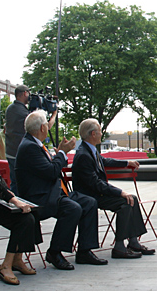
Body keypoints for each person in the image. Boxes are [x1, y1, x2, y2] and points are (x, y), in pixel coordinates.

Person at [15, 110, 106, 270]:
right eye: (47, 124)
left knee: (89, 202)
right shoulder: (29, 147)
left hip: (53, 193)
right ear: (42, 128)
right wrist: (63, 153)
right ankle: (54, 252)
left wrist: (58, 155)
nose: (49, 127)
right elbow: (51, 171)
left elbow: (49, 169)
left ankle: (84, 250)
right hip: (39, 198)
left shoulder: (34, 144)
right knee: (72, 208)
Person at [0, 113, 41, 285]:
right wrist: (15, 200)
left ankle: (17, 259)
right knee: (24, 219)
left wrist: (14, 199)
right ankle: (6, 266)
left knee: (32, 215)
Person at [72, 118, 155, 259]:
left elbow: (105, 161)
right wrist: (119, 192)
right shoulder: (83, 155)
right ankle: (119, 247)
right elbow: (95, 183)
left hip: (96, 193)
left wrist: (126, 163)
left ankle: (133, 242)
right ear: (93, 134)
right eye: (99, 131)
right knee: (125, 202)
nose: (101, 134)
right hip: (90, 197)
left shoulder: (89, 150)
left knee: (131, 199)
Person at [5, 85, 57, 194]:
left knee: (15, 182)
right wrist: (54, 115)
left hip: (10, 151)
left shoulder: (10, 109)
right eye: (29, 93)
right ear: (25, 93)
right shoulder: (24, 113)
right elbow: (43, 128)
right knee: (23, 184)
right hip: (20, 152)